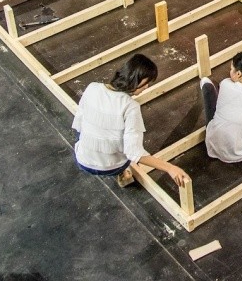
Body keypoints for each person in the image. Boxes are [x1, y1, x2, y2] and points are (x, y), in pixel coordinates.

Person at [72, 54, 190, 189]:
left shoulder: (92, 87)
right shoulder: (130, 106)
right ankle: (123, 173)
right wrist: (170, 168)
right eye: (145, 83)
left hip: (82, 160)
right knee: (130, 143)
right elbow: (134, 152)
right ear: (134, 79)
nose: (146, 87)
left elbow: (79, 122)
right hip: (111, 168)